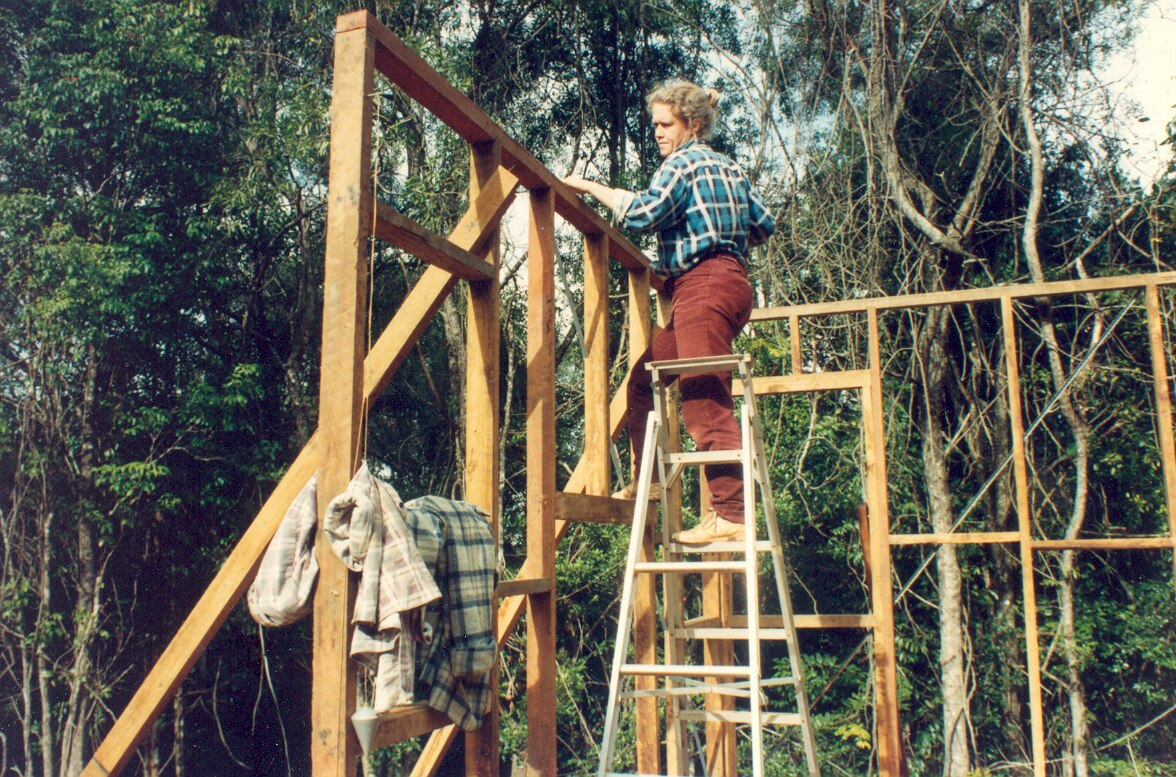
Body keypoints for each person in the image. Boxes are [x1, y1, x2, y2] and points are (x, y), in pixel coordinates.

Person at [563, 80, 775, 544]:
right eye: (655, 124)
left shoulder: (681, 162)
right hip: (729, 286)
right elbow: (763, 224)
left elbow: (644, 213)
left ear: (692, 125)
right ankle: (649, 480)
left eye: (665, 124)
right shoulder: (730, 168)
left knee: (703, 392)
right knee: (647, 379)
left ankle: (732, 515)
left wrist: (593, 187)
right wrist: (717, 233)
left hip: (703, 287)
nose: (657, 133)